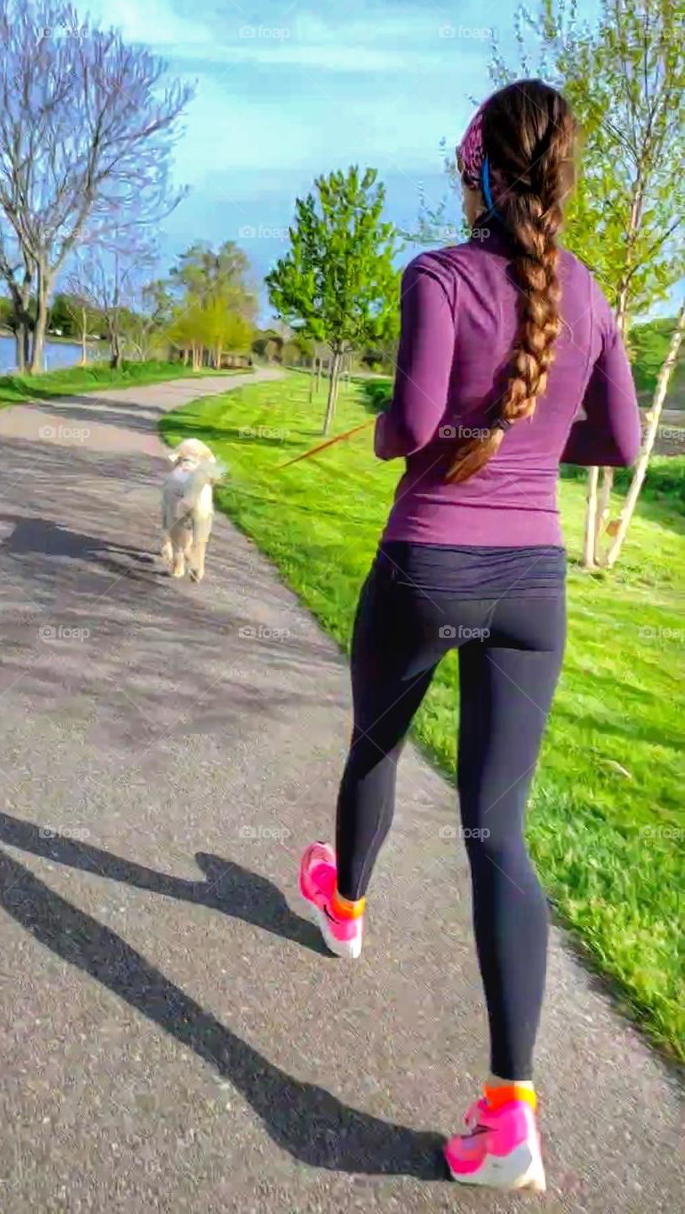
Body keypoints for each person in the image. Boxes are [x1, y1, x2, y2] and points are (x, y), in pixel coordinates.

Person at [298, 79, 641, 1192]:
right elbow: (619, 439)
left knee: (375, 747)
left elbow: (406, 424)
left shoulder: (438, 275)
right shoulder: (591, 294)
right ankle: (511, 1115)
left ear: (480, 169)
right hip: (533, 588)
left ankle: (345, 908)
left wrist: (410, 430)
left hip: (428, 568)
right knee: (500, 833)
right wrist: (527, 431)